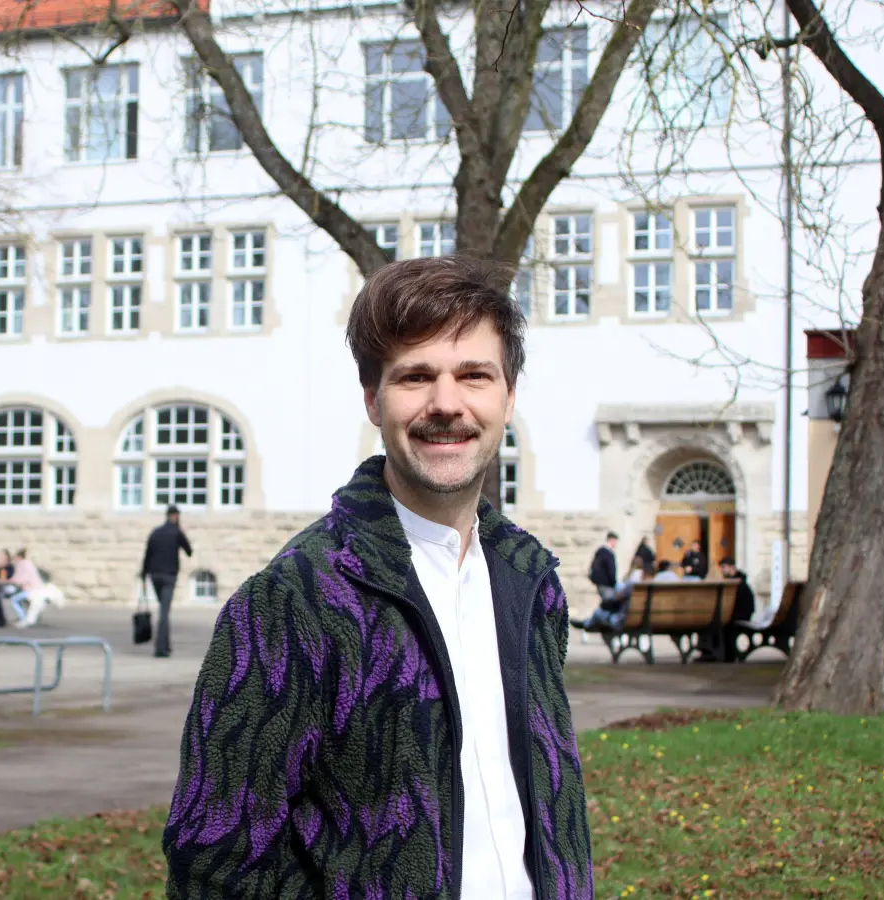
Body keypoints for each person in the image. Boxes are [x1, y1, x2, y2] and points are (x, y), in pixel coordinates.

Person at [164, 256, 590, 898]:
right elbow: (215, 861)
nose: (447, 404)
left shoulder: (531, 584)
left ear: (508, 394)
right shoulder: (292, 602)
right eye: (415, 377)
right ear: (373, 398)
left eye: (473, 375)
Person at [140, 505, 193, 658]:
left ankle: (166, 644)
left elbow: (147, 555)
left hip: (154, 575)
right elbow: (189, 551)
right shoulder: (177, 532)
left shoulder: (155, 532)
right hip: (169, 576)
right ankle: (160, 648)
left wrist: (143, 575)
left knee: (164, 609)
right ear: (176, 516)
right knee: (164, 612)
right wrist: (182, 532)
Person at [6, 548, 44, 626]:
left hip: (32, 590)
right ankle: (26, 617)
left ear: (18, 557)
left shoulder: (22, 564)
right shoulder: (28, 563)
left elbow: (19, 579)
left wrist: (9, 581)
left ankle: (23, 618)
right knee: (22, 600)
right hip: (36, 589)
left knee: (14, 599)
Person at [588, 531, 619, 611]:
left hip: (600, 584)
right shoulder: (608, 553)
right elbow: (611, 570)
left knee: (606, 604)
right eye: (615, 541)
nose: (616, 544)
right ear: (612, 540)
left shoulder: (600, 551)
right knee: (609, 605)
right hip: (607, 584)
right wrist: (614, 583)